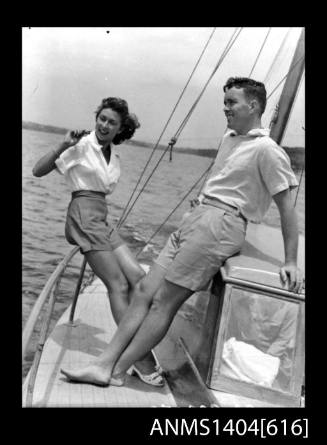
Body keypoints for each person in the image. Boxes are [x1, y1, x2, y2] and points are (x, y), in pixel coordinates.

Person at [60, 77, 304, 387]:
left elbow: (286, 208)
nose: (225, 107)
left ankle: (114, 370)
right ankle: (104, 362)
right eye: (225, 101)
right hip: (196, 218)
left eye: (232, 102)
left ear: (253, 105)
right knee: (145, 292)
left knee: (164, 302)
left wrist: (291, 261)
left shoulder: (268, 150)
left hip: (220, 225)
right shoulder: (231, 139)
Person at [33, 97, 164, 386]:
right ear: (97, 119)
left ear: (120, 128)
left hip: (102, 217)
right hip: (83, 214)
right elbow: (37, 170)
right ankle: (139, 361)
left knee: (138, 278)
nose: (104, 125)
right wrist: (63, 144)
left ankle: (133, 347)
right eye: (102, 118)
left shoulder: (112, 154)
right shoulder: (80, 145)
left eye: (111, 122)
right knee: (116, 284)